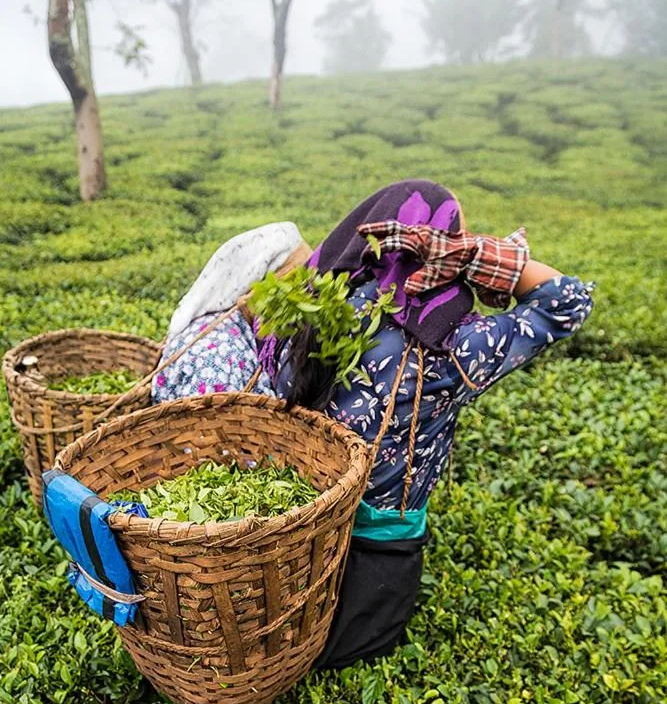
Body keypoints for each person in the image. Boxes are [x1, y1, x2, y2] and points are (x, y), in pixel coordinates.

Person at [153, 179, 594, 668]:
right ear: (443, 249)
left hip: (302, 520)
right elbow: (568, 301)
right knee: (355, 648)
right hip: (376, 545)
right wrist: (481, 258)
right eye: (460, 232)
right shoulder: (449, 346)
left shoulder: (317, 303)